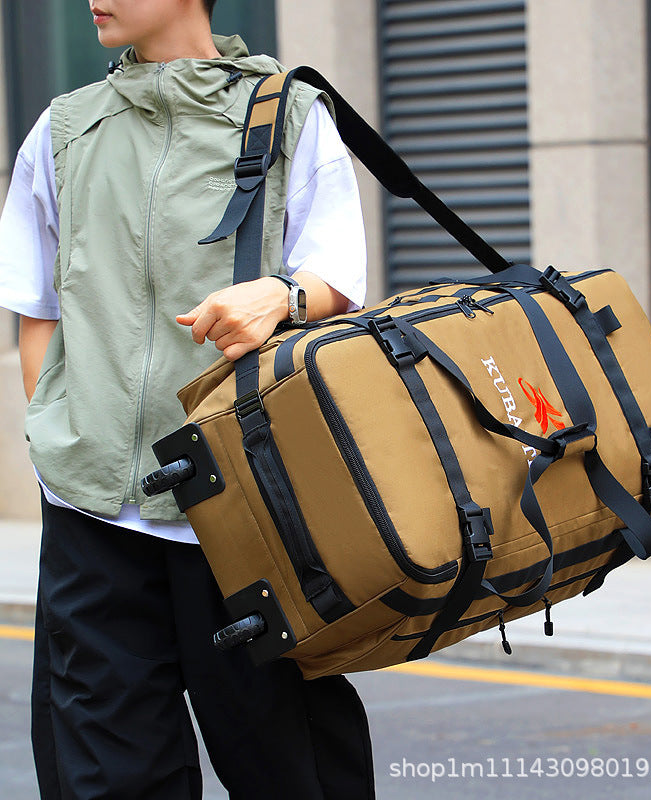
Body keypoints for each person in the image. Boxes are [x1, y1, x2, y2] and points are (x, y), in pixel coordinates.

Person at [0, 0, 375, 797]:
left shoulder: (289, 113)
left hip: (248, 508)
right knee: (106, 776)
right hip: (94, 517)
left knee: (290, 768)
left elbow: (337, 277)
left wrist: (280, 295)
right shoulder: (64, 131)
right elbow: (37, 309)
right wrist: (58, 437)